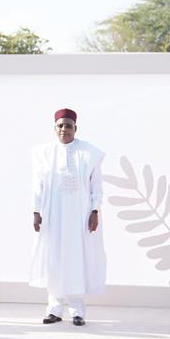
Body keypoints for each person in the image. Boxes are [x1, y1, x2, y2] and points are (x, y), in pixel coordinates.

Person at [30, 108, 105, 326]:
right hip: (53, 215)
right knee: (54, 260)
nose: (64, 129)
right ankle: (54, 310)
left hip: (79, 216)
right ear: (55, 128)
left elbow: (96, 186)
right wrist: (36, 211)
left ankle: (77, 311)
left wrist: (94, 211)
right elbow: (37, 185)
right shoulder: (43, 153)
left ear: (75, 128)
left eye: (68, 126)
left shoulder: (90, 153)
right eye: (60, 126)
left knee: (77, 260)